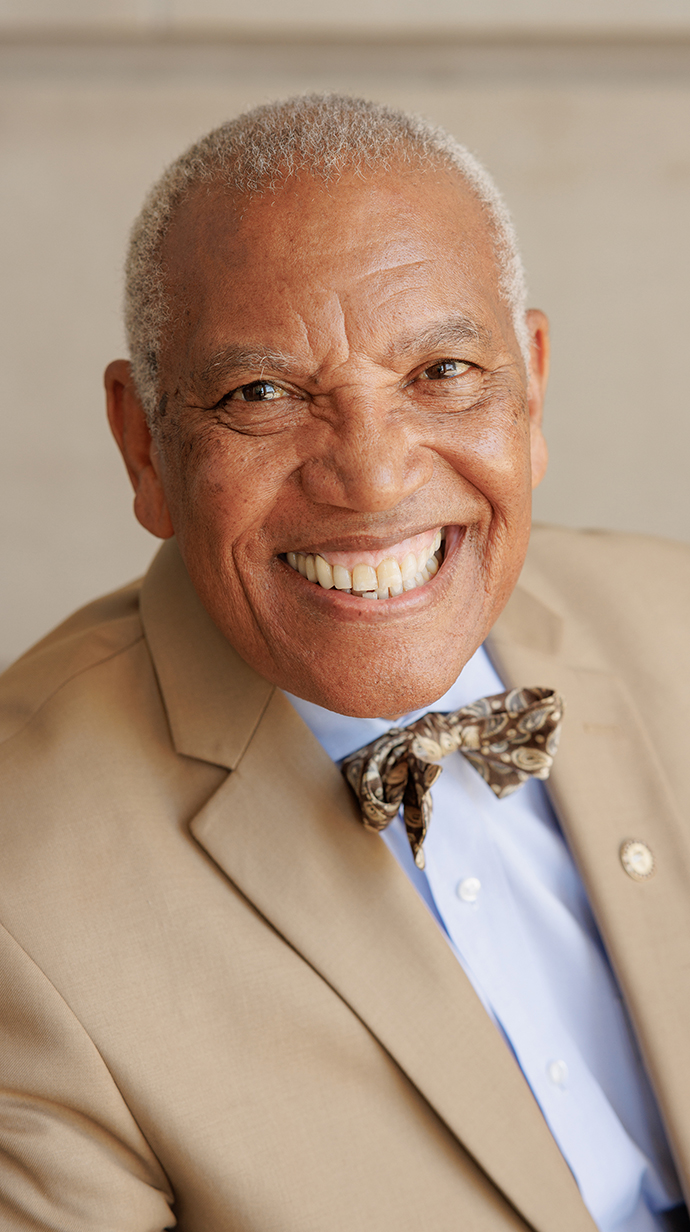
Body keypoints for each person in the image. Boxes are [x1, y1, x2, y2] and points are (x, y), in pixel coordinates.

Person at [0, 93, 688, 1232]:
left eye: (444, 371)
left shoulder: (670, 618)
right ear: (145, 443)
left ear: (533, 382)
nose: (371, 479)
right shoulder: (23, 904)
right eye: (261, 395)